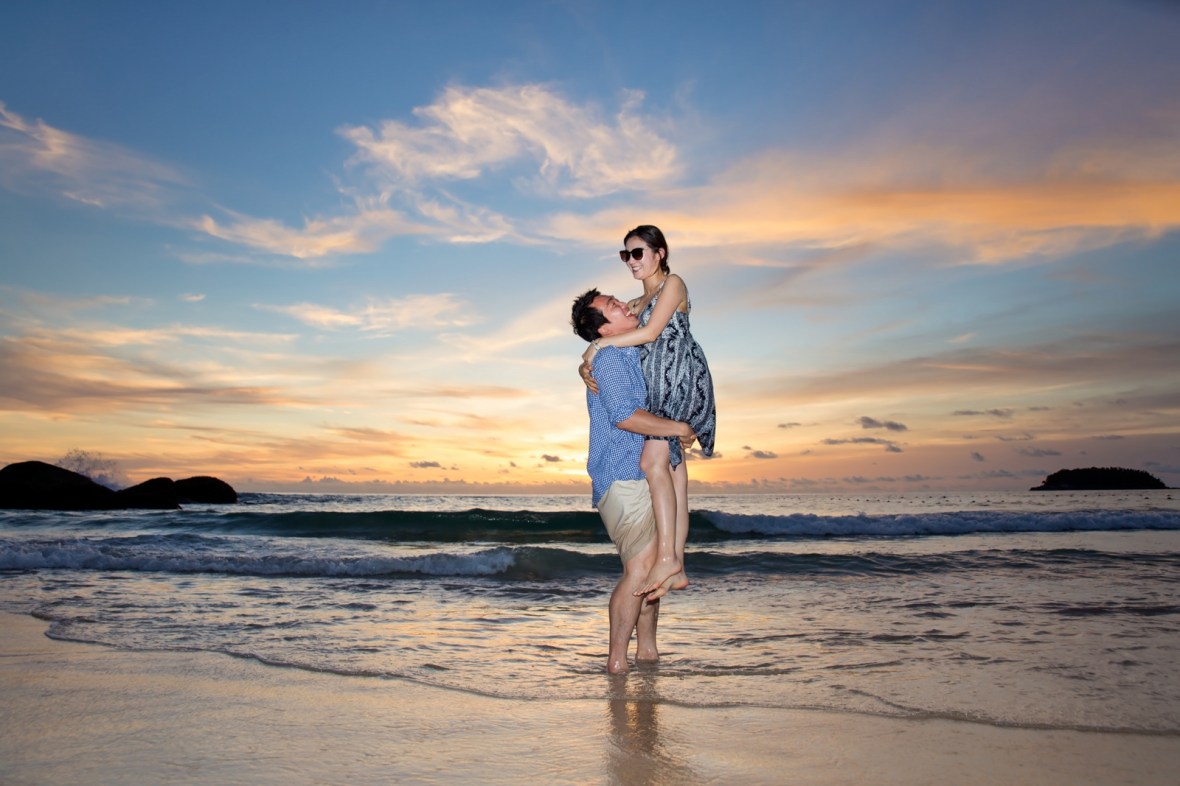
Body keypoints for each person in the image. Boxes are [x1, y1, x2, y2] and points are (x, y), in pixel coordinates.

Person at [579, 225, 716, 599]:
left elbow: (651, 333)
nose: (631, 261)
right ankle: (677, 565)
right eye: (626, 255)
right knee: (673, 473)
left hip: (679, 378)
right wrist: (590, 356)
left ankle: (670, 558)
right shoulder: (636, 302)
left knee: (653, 462)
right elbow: (610, 325)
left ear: (660, 253)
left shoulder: (674, 285)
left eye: (637, 252)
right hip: (657, 387)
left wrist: (595, 352)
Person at [571, 288, 696, 674]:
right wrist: (678, 428)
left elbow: (659, 304)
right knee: (641, 566)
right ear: (604, 330)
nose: (623, 304)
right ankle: (616, 661)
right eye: (612, 307)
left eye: (616, 299)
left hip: (643, 470)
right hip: (622, 474)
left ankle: (648, 652)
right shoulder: (609, 361)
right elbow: (625, 415)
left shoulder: (629, 348)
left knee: (653, 566)